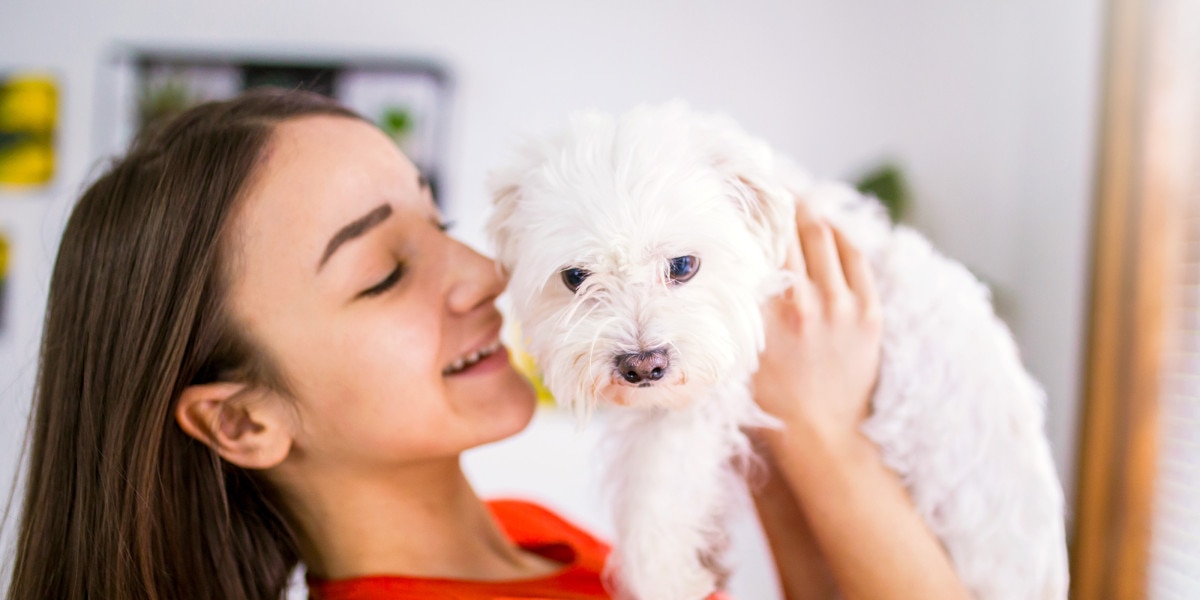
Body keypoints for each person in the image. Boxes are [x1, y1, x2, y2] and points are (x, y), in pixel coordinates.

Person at [5, 89, 968, 600]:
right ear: (243, 418)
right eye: (383, 271)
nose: (484, 276)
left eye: (440, 222)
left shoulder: (535, 537)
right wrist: (828, 440)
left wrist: (792, 424)